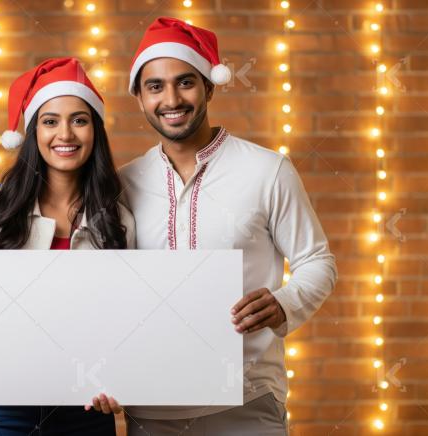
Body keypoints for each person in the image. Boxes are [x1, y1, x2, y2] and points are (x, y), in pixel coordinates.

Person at [91, 17, 338, 435]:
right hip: (151, 408)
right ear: (139, 97)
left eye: (185, 82)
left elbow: (318, 262)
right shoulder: (122, 185)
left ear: (209, 86)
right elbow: (107, 291)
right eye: (155, 86)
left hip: (248, 399)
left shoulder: (267, 170)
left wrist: (284, 302)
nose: (171, 98)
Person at [0, 57, 135, 436]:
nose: (65, 134)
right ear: (33, 131)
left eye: (80, 120)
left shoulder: (116, 217)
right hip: (0, 404)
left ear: (95, 131)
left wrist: (119, 378)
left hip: (84, 408)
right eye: (50, 120)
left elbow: (128, 319)